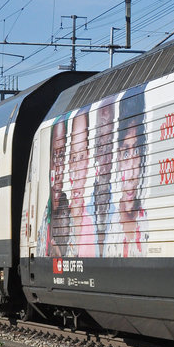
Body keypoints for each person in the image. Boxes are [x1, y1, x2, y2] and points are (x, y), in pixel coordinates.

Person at [105, 88, 147, 257]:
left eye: (136, 152)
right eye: (126, 154)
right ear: (118, 157)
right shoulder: (108, 224)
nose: (131, 173)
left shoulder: (147, 223)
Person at [67, 109, 96, 256]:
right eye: (73, 158)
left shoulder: (92, 224)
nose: (77, 169)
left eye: (82, 157)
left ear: (88, 160)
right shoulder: (57, 218)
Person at [89, 96, 117, 254]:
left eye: (109, 144)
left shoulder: (120, 210)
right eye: (100, 146)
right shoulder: (85, 212)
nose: (105, 158)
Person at [40, 118, 69, 257]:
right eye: (54, 156)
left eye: (61, 156)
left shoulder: (71, 214)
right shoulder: (43, 217)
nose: (57, 170)